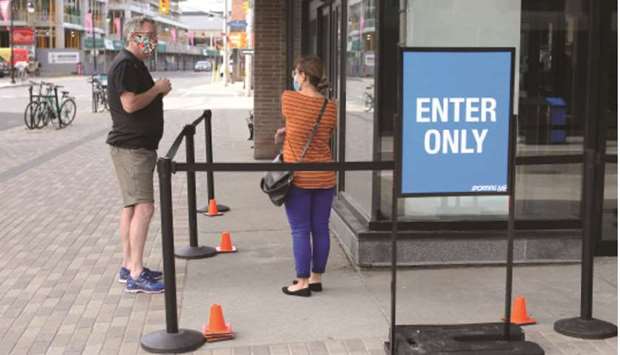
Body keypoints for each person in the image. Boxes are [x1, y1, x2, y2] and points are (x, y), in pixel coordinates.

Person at [107, 16, 172, 294]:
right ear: (134, 36)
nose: (154, 41)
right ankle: (135, 272)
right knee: (144, 207)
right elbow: (130, 104)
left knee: (132, 207)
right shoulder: (126, 65)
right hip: (133, 149)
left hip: (135, 147)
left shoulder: (134, 64)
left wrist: (155, 93)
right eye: (150, 35)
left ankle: (128, 265)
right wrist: (157, 89)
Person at [276, 56, 337, 297]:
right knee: (321, 228)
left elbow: (296, 121)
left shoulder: (289, 99)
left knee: (300, 229)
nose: (294, 77)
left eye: (295, 73)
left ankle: (300, 282)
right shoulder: (331, 106)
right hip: (325, 176)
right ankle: (316, 279)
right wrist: (288, 130)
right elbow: (321, 131)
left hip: (298, 177)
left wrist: (285, 132)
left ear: (303, 75)